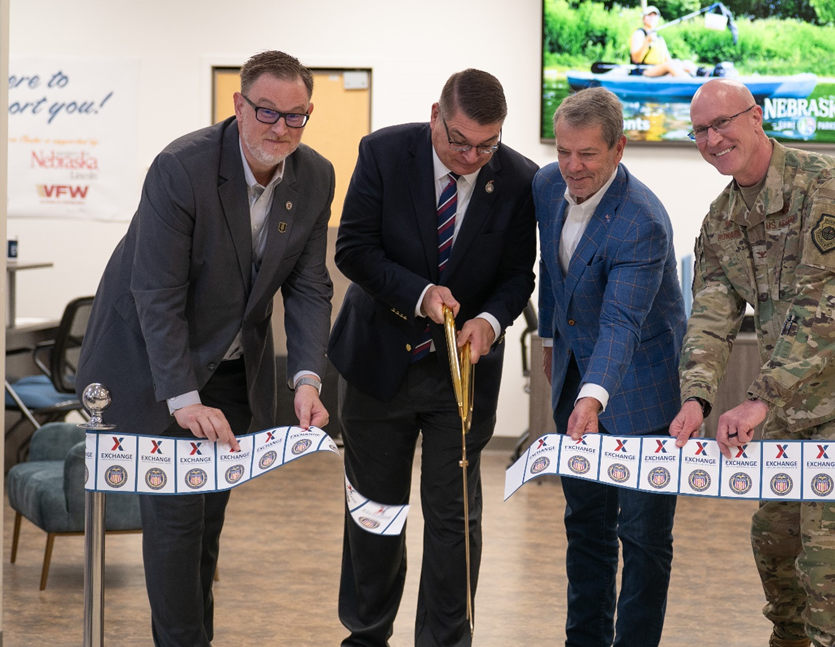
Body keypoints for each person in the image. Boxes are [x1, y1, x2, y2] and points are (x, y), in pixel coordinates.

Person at [76, 50, 334, 646]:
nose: (281, 128)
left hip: (230, 366)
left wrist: (307, 378)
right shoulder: (182, 168)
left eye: (296, 116)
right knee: (173, 526)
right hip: (151, 364)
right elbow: (157, 292)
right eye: (267, 112)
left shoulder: (314, 175)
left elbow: (308, 285)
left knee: (206, 523)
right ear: (239, 105)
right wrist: (182, 398)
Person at [670, 79, 835, 647]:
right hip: (788, 398)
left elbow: (831, 305)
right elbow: (710, 314)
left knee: (832, 549)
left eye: (722, 123)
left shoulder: (827, 185)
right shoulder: (722, 219)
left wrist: (759, 398)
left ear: (756, 117)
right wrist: (697, 396)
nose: (712, 139)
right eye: (700, 131)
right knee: (776, 538)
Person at [328, 68, 537, 646]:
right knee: (376, 513)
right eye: (460, 142)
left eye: (487, 145)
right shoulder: (384, 153)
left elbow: (519, 275)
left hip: (461, 375)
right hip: (378, 365)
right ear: (434, 117)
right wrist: (419, 294)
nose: (473, 157)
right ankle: (366, 635)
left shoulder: (519, 178)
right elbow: (354, 250)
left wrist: (491, 323)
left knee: (453, 522)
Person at [535, 86, 686, 647]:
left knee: (643, 537)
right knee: (587, 527)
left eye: (588, 155)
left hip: (644, 388)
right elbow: (552, 270)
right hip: (578, 380)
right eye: (564, 151)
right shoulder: (547, 185)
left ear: (619, 149)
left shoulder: (641, 221)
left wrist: (592, 395)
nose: (572, 167)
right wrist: (551, 340)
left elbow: (622, 322)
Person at [630, 5, 699, 77]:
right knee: (670, 65)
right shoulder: (639, 34)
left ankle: (702, 74)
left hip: (658, 68)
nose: (652, 18)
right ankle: (689, 82)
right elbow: (635, 59)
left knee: (682, 62)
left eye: (654, 16)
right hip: (643, 70)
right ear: (643, 19)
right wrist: (647, 42)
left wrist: (677, 64)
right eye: (649, 15)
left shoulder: (659, 38)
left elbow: (668, 59)